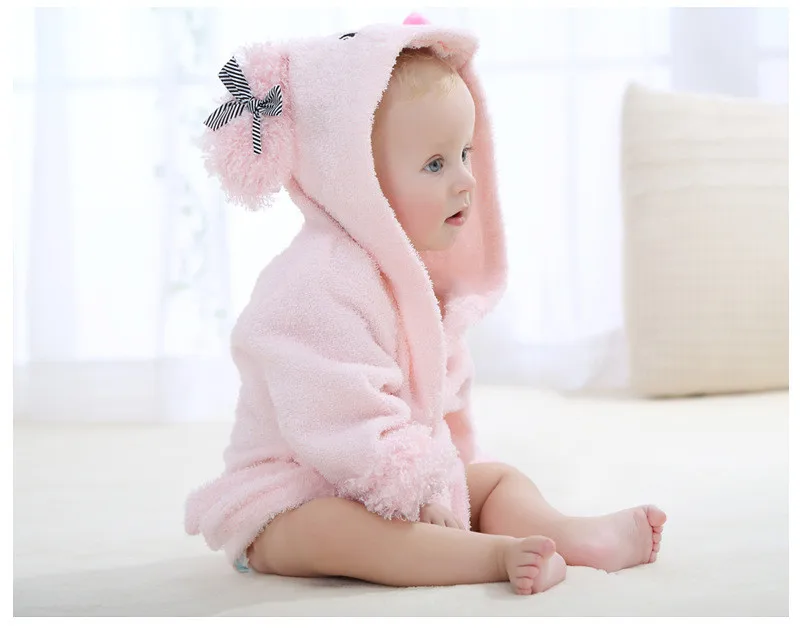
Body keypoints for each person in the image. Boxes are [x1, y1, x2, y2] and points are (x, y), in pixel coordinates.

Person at [185, 14, 666, 596]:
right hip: (294, 491)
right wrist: (417, 490)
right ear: (355, 179)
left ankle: (571, 535)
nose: (465, 180)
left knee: (498, 481)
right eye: (436, 164)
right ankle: (491, 556)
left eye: (465, 153)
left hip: (400, 477)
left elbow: (440, 400)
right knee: (335, 529)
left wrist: (445, 479)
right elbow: (341, 418)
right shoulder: (310, 286)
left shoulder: (415, 279)